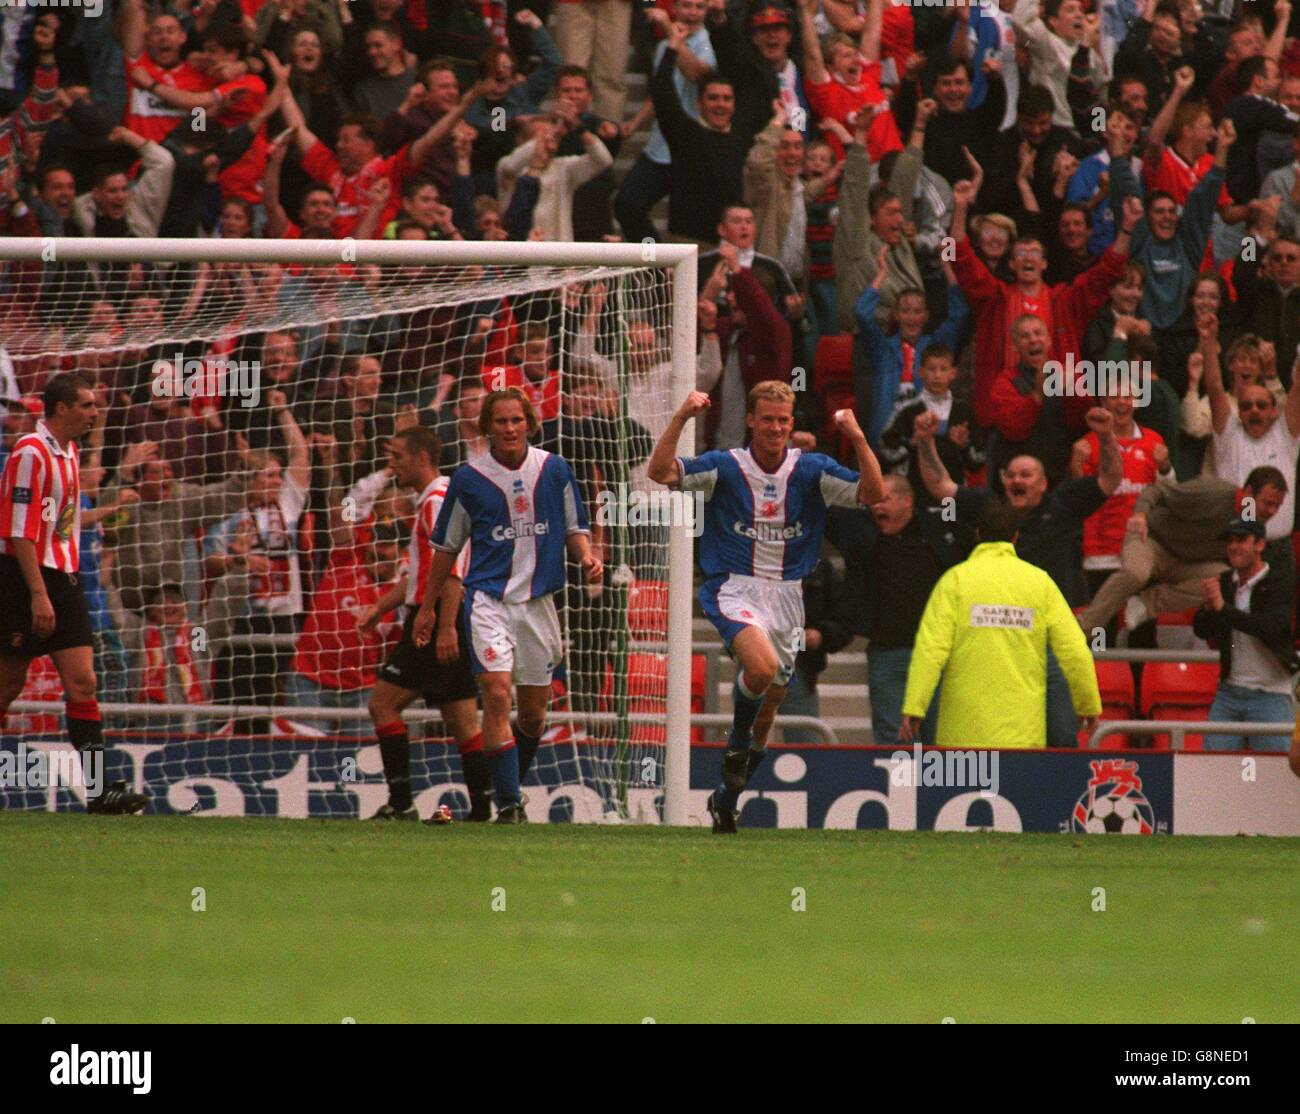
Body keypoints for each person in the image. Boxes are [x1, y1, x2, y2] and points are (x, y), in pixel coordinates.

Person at [646, 381, 885, 833]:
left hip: (788, 596)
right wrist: (681, 417)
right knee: (759, 670)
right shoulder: (724, 467)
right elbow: (659, 472)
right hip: (734, 588)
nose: (775, 427)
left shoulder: (811, 469)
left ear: (792, 424)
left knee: (770, 710)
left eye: (783, 420)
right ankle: (734, 748)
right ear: (751, 421)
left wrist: (856, 436)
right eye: (767, 419)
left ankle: (726, 799)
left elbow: (873, 494)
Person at [414, 388, 603, 824]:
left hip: (538, 604)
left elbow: (576, 528)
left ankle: (504, 788)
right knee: (497, 694)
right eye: (500, 421)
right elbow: (446, 548)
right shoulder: (468, 479)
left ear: (530, 422)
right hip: (488, 600)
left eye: (517, 419)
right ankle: (511, 805)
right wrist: (427, 609)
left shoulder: (554, 469)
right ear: (487, 427)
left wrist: (587, 557)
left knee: (534, 714)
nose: (510, 428)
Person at [0, 373, 146, 814]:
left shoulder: (69, 453)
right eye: (86, 405)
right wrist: (38, 595)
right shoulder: (30, 453)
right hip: (24, 581)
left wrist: (109, 510)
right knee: (7, 685)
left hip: (65, 580)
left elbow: (62, 524)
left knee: (83, 683)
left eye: (95, 405)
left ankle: (100, 792)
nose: (94, 413)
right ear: (61, 408)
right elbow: (17, 532)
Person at [360, 426, 490, 821]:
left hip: (433, 618)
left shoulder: (437, 502)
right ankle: (483, 811)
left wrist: (443, 625)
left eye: (397, 456)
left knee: (383, 704)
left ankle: (401, 804)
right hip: (439, 615)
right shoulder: (437, 499)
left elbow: (451, 570)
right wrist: (380, 607)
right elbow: (421, 573)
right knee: (461, 718)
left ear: (421, 458)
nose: (392, 464)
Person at [900, 496, 1101, 748]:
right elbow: (1074, 650)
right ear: (1016, 537)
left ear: (977, 534)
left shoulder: (955, 581)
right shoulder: (1040, 583)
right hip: (1023, 738)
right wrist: (1088, 705)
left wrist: (914, 707)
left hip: (962, 737)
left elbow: (931, 649)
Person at [1193, 517, 1298, 753]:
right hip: (1229, 692)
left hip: (1270, 694)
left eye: (1241, 540)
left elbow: (1271, 627)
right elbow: (1201, 630)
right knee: (1211, 771)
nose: (1233, 546)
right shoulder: (1225, 583)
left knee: (1274, 776)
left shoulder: (1279, 582)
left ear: (1260, 545)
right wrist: (1210, 608)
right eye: (1230, 541)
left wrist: (1223, 609)